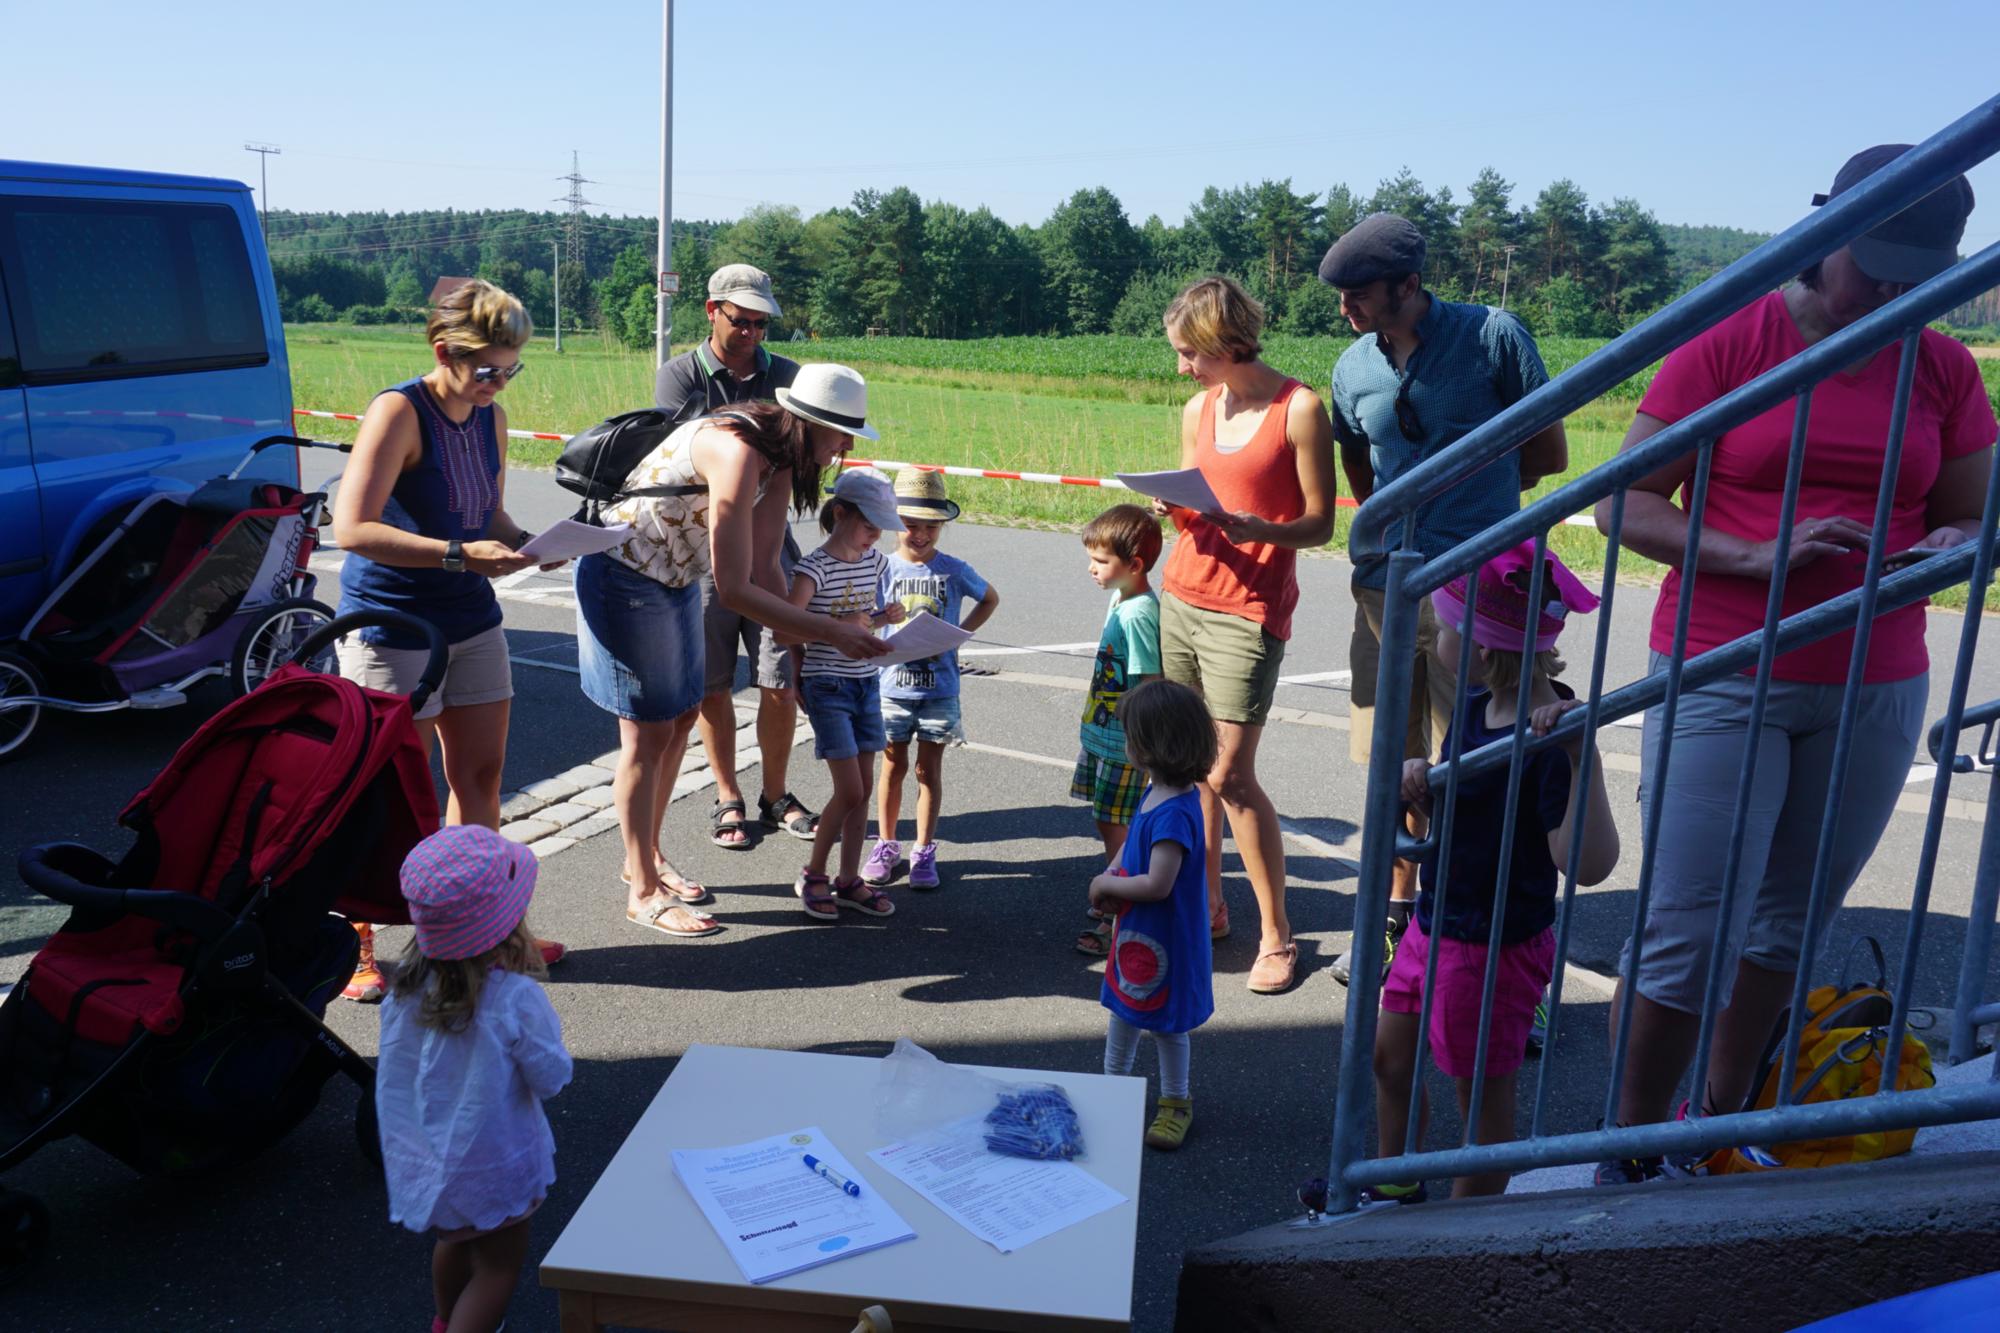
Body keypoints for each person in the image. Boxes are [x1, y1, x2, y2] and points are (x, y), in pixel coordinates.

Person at [1591, 147, 1994, 1185]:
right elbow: (1619, 501)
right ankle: (1627, 1148)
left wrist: (1952, 548)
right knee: (1687, 923)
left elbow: (1969, 508)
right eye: (1878, 266)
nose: (1897, 292)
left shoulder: (1938, 364)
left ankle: (1713, 1125)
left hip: (1874, 675)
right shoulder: (1731, 337)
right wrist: (1751, 555)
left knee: (1786, 919)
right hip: (1724, 661)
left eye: (1919, 272)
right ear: (1826, 236)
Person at [1320, 213, 1570, 990]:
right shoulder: (1349, 367)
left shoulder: (1494, 336)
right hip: (1386, 591)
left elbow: (1548, 453)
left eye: (1359, 294)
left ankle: (1503, 952)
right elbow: (1360, 473)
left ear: (1409, 283)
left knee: (1481, 771)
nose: (1346, 310)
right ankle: (1401, 925)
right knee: (1394, 766)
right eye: (1340, 296)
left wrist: (1473, 517)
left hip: (1481, 589)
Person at [576, 366, 891, 938]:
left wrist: (812, 628)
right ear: (810, 422)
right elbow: (735, 587)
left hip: (670, 578)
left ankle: (641, 857)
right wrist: (827, 632)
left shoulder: (781, 458)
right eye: (843, 433)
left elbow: (769, 566)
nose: (847, 446)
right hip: (624, 575)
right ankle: (642, 890)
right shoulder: (740, 451)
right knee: (646, 734)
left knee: (677, 722)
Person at [331, 279, 562, 1002]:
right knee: (387, 793)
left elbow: (488, 514)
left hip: (471, 620)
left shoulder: (489, 417)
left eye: (512, 367)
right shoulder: (399, 411)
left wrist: (535, 544)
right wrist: (460, 555)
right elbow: (354, 529)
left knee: (482, 780)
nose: (500, 381)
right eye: (489, 368)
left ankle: (479, 934)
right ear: (443, 352)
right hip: (394, 623)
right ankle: (355, 947)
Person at [1366, 545, 1619, 1203]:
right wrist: (1425, 787)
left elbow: (1588, 864)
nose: (1438, 633)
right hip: (1435, 922)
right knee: (1388, 1057)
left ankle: (1461, 1228)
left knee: (1477, 1098)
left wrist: (1577, 751)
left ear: (1481, 648)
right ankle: (1393, 1174)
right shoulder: (1478, 709)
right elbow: (1464, 816)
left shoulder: (1551, 738)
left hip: (1493, 948)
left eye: (1446, 624)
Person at [1153, 276, 1338, 995]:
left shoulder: (1299, 409)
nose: (1181, 369)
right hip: (1182, 595)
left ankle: (1278, 935)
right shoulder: (1199, 406)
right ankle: (1209, 907)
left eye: (1187, 354)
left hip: (1249, 610)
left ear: (1225, 344)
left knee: (1229, 774)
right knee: (1189, 766)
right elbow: (1194, 503)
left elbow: (1322, 523)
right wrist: (1173, 504)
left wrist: (1262, 530)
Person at [376, 824, 572, 1333]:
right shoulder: (512, 998)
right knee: (498, 1267)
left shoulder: (404, 990)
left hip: (427, 1153)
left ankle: (444, 1320)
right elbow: (550, 1076)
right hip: (495, 1163)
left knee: (454, 1242)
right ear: (509, 925)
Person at [654, 264, 820, 852]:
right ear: (711, 311)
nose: (751, 332)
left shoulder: (788, 377)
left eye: (761, 322)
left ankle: (775, 794)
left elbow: (797, 465)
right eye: (740, 319)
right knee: (712, 686)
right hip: (705, 551)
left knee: (780, 678)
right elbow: (686, 461)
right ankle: (728, 793)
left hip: (771, 544)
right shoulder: (678, 376)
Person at [1092, 679, 1219, 1151]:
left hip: (1167, 938)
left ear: (1149, 747)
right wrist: (1111, 867)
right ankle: (1113, 1089)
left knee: (1168, 1024)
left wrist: (1108, 884)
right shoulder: (1156, 793)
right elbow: (1131, 847)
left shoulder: (1175, 814)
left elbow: (1157, 883)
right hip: (1140, 936)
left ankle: (1174, 1102)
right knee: (1124, 1012)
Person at [864, 469, 1000, 890]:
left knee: (928, 770)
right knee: (891, 766)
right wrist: (873, 629)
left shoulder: (954, 570)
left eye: (931, 526)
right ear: (893, 523)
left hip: (939, 690)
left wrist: (961, 638)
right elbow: (862, 620)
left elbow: (990, 597)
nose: (920, 534)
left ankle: (924, 850)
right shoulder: (880, 568)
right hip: (891, 688)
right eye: (911, 524)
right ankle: (887, 844)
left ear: (942, 526)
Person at [783, 468, 906, 920]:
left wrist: (882, 615)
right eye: (868, 524)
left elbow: (862, 621)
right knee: (849, 790)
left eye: (881, 526)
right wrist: (833, 635)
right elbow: (785, 628)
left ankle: (849, 878)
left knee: (863, 788)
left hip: (865, 681)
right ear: (839, 513)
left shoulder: (876, 562)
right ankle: (814, 874)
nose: (875, 535)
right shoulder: (811, 568)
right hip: (827, 685)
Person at [1071, 504, 1163, 958]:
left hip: (1124, 744)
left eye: (1101, 561)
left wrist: (1141, 741)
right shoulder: (1120, 598)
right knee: (1107, 821)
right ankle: (1116, 889)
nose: (1091, 568)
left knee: (1121, 830)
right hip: (1102, 735)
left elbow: (1149, 683)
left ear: (1134, 565)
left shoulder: (1139, 613)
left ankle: (1118, 909)